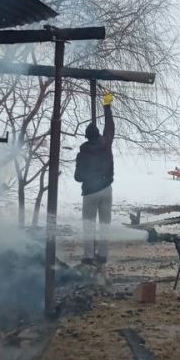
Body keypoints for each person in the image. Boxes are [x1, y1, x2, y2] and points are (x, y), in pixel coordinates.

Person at [74, 92, 115, 267]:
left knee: (89, 225)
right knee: (105, 223)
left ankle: (89, 256)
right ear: (98, 135)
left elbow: (78, 177)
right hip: (106, 189)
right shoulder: (106, 143)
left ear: (86, 137)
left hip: (90, 192)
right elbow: (110, 126)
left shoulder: (82, 153)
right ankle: (103, 255)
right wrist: (107, 107)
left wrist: (86, 176)